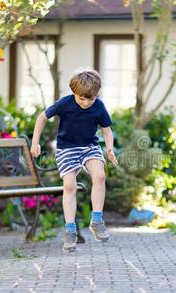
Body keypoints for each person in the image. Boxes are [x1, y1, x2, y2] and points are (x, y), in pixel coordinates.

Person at [30, 69, 118, 252]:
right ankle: (70, 230)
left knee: (99, 176)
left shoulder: (99, 106)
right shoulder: (65, 103)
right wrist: (35, 142)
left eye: (90, 99)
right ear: (74, 93)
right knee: (69, 186)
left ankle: (97, 220)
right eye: (81, 99)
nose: (86, 103)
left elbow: (107, 130)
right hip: (67, 148)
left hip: (89, 146)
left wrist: (109, 148)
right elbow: (42, 117)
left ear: (96, 95)